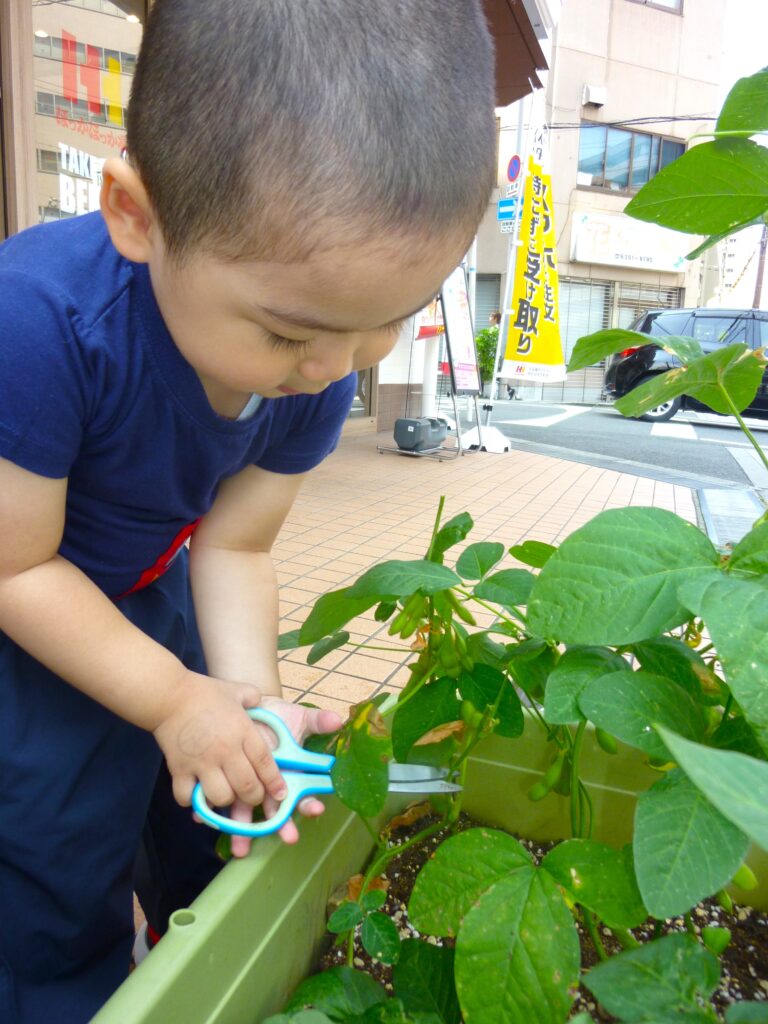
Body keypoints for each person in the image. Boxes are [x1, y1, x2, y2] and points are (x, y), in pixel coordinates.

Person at [0, 1, 495, 1021]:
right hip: (27, 616)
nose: (334, 371)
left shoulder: (320, 348)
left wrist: (246, 702)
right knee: (52, 858)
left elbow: (233, 543)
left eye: (387, 324)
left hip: (154, 591)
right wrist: (176, 700)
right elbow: (17, 568)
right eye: (287, 334)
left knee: (209, 803)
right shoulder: (38, 327)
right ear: (137, 215)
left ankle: (202, 964)